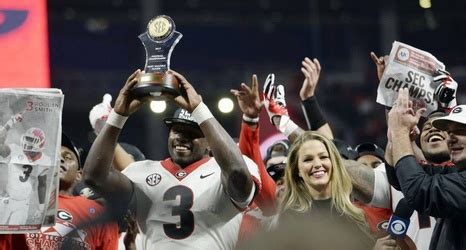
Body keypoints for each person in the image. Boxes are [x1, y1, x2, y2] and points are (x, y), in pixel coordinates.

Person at [83, 69, 260, 249]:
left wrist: (199, 110)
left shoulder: (224, 170)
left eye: (192, 134)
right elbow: (93, 176)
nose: (182, 138)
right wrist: (118, 116)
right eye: (177, 131)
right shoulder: (141, 172)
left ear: (209, 142)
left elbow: (238, 174)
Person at [2, 132, 120, 250]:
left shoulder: (99, 213)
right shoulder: (17, 200)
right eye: (54, 156)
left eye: (67, 157)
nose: (60, 159)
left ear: (79, 175)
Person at [387, 89, 466, 249]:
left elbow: (419, 191)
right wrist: (397, 138)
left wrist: (399, 131)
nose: (451, 138)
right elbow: (399, 176)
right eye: (450, 132)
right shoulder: (456, 175)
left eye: (461, 131)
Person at [278, 131, 374, 249]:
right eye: (308, 159)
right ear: (297, 170)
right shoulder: (291, 218)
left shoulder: (354, 212)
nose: (318, 164)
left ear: (333, 163)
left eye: (323, 157)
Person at [0, 114, 49, 225]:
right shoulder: (14, 149)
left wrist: (41, 208)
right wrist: (10, 122)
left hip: (23, 203)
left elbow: (42, 184)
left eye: (31, 140)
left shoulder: (44, 160)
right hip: (7, 197)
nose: (27, 142)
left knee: (14, 234)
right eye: (27, 138)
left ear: (40, 143)